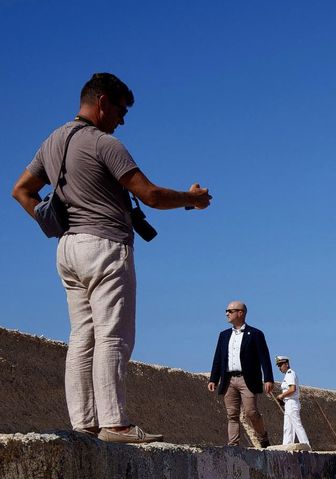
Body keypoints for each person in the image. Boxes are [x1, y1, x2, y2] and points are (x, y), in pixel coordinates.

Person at [12, 73, 211, 443]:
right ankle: (115, 424)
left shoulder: (52, 141)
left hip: (67, 247)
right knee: (113, 336)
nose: (122, 120)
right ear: (103, 103)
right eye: (120, 110)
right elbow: (149, 194)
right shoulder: (105, 143)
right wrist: (191, 198)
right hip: (105, 245)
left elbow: (21, 190)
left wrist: (50, 221)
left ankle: (84, 424)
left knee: (81, 336)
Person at [208, 300, 274, 447]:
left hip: (247, 379)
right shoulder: (224, 335)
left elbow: (264, 357)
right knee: (232, 414)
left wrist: (268, 378)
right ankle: (233, 445)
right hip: (229, 379)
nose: (227, 313)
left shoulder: (256, 334)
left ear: (240, 313)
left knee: (251, 412)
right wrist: (213, 378)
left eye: (230, 311)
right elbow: (218, 357)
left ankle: (262, 437)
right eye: (226, 311)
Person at [273, 356, 310, 448]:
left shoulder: (290, 374)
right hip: (288, 403)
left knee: (297, 425)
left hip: (292, 402)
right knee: (288, 427)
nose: (280, 368)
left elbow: (292, 389)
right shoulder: (288, 375)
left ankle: (306, 445)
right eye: (279, 366)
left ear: (286, 364)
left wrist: (282, 396)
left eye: (281, 365)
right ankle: (286, 446)